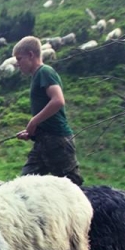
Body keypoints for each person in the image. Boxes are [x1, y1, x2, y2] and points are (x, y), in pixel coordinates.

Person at [13, 36, 83, 185]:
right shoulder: (37, 76)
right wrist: (32, 131)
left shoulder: (45, 72)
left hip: (57, 140)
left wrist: (34, 121)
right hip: (42, 141)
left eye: (19, 59)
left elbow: (58, 100)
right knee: (24, 184)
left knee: (72, 186)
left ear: (31, 55)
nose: (17, 64)